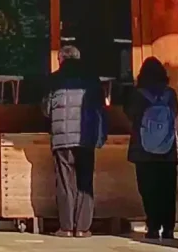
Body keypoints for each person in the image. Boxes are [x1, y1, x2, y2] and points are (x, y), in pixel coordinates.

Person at [41, 45, 108, 237]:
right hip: (86, 137)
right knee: (85, 182)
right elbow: (101, 110)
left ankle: (67, 227)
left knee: (65, 182)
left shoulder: (53, 79)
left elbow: (46, 110)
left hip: (62, 138)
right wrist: (101, 136)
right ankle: (83, 228)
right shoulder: (91, 80)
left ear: (61, 60)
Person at [116, 57, 178, 243]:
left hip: (143, 150)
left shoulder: (137, 95)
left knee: (148, 189)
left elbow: (130, 114)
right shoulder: (170, 94)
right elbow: (174, 114)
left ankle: (153, 226)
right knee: (167, 190)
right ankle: (168, 228)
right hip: (168, 150)